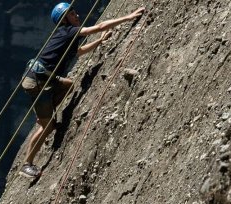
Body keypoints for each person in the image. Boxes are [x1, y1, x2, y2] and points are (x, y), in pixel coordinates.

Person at [19, 2, 145, 178]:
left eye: (74, 12)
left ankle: (46, 114)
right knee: (47, 127)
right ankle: (27, 164)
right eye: (71, 14)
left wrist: (100, 41)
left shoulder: (66, 36)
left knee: (68, 85)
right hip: (38, 81)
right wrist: (128, 17)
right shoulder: (68, 31)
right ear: (64, 20)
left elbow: (78, 52)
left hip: (41, 78)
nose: (76, 15)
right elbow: (99, 26)